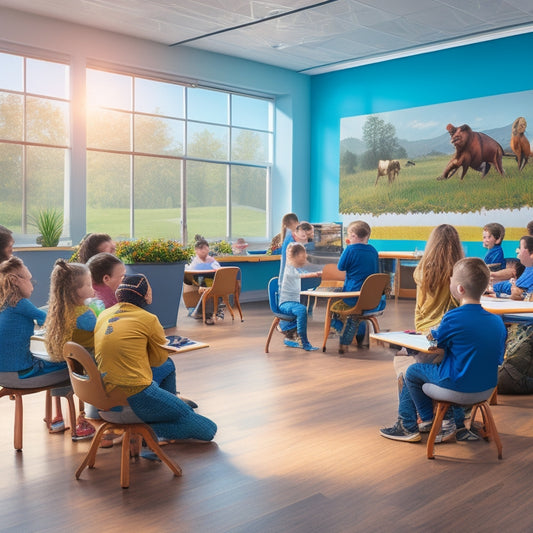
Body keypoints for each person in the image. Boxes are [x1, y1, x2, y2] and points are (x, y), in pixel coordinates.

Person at [380, 257, 507, 443]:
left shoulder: (453, 317)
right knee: (457, 368)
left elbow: (438, 343)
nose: (450, 280)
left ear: (460, 289)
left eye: (452, 278)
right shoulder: (497, 321)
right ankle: (453, 423)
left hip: (457, 388)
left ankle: (421, 422)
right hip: (485, 390)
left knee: (413, 371)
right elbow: (497, 358)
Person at [94, 274, 217, 443]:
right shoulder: (149, 319)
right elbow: (157, 360)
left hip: (103, 394)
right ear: (146, 296)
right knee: (208, 429)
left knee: (168, 365)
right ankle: (146, 432)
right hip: (135, 395)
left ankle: (165, 413)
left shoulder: (103, 315)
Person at [44, 259, 97, 440]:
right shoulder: (84, 314)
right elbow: (100, 329)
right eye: (88, 285)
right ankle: (89, 417)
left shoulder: (56, 311)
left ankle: (58, 418)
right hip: (81, 366)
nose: (92, 288)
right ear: (75, 291)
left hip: (60, 361)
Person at [0, 257, 69, 388]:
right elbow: (51, 320)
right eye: (30, 280)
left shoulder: (5, 303)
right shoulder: (20, 303)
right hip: (18, 375)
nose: (32, 284)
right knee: (73, 367)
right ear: (15, 281)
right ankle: (84, 405)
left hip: (3, 373)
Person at [331, 220, 379, 354]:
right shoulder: (373, 251)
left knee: (332, 308)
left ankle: (344, 336)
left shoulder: (350, 249)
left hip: (353, 297)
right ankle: (360, 339)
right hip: (371, 299)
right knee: (360, 313)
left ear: (352, 235)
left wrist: (347, 248)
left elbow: (341, 267)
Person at [278, 243, 320, 351]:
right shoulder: (288, 268)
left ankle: (289, 336)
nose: (305, 259)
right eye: (303, 257)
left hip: (292, 302)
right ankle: (304, 342)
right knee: (301, 310)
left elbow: (303, 272)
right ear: (295, 257)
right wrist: (315, 274)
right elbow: (302, 275)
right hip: (285, 303)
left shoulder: (294, 268)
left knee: (301, 307)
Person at [186, 235, 222, 325]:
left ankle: (201, 313)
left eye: (205, 248)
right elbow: (190, 272)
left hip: (211, 281)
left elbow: (219, 271)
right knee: (209, 289)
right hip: (199, 280)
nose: (203, 250)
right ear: (196, 250)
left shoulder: (211, 260)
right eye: (201, 249)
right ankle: (206, 314)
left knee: (210, 289)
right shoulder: (194, 261)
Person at [491, 235, 533, 300]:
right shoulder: (528, 268)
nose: (517, 251)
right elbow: (509, 287)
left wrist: (523, 295)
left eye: (520, 248)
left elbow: (518, 290)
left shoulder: (530, 269)